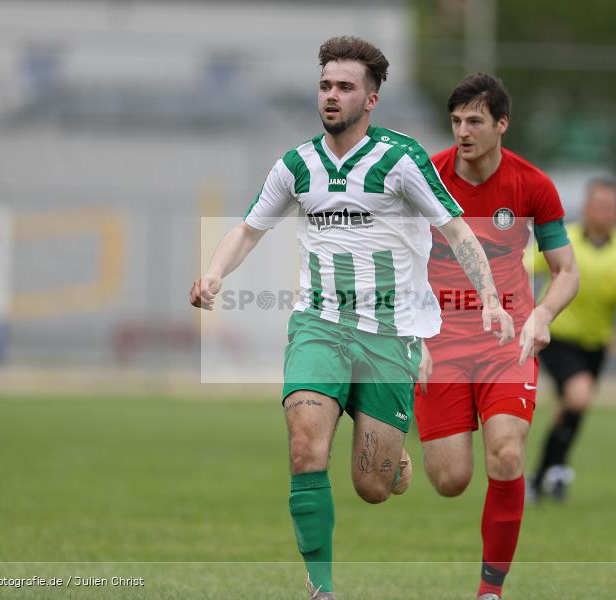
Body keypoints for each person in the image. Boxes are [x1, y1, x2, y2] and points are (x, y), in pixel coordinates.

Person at [190, 38, 515, 600]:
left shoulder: (401, 159)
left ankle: (394, 464)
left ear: (371, 99)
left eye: (344, 87)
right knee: (304, 448)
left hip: (390, 336)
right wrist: (215, 273)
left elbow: (457, 231)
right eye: (325, 86)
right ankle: (321, 590)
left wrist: (488, 295)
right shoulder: (297, 164)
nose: (331, 96)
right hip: (320, 326)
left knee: (371, 485)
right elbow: (248, 228)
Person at [414, 73, 580, 600]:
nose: (463, 132)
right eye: (456, 121)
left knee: (506, 455)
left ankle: (490, 591)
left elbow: (567, 270)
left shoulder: (532, 184)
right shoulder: (425, 178)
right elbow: (391, 255)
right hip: (438, 346)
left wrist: (543, 314)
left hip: (505, 343)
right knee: (450, 480)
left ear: (502, 124)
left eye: (475, 121)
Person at [529, 176, 616, 502]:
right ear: (586, 208)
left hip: (596, 343)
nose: (605, 212)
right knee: (579, 396)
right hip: (558, 335)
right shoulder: (563, 239)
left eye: (611, 207)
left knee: (571, 408)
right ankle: (551, 473)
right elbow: (524, 264)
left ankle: (544, 476)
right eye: (599, 206)